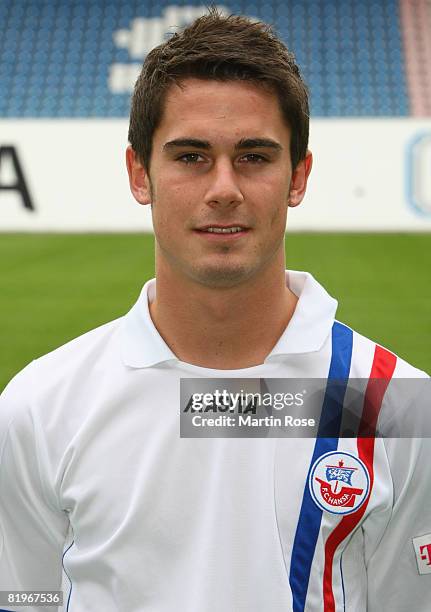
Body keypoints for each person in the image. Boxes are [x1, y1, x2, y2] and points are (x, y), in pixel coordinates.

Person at [0, 8, 429, 612]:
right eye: (190, 156)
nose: (223, 187)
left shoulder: (395, 404)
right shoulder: (40, 407)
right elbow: (26, 598)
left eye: (254, 156)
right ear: (139, 173)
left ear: (298, 176)